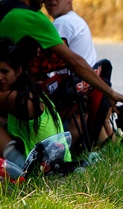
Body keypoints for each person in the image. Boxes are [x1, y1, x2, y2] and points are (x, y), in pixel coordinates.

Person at [0, 0, 123, 118]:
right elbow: (74, 62)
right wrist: (109, 92)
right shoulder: (33, 18)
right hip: (8, 94)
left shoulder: (2, 6)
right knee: (37, 107)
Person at [44, 0, 113, 147]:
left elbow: (46, 66)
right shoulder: (76, 20)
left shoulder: (63, 24)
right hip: (84, 93)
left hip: (71, 95)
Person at [0, 36, 70, 168]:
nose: (0, 77)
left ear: (19, 71)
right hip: (58, 164)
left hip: (43, 170)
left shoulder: (15, 97)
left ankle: (20, 167)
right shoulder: (32, 91)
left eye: (5, 72)